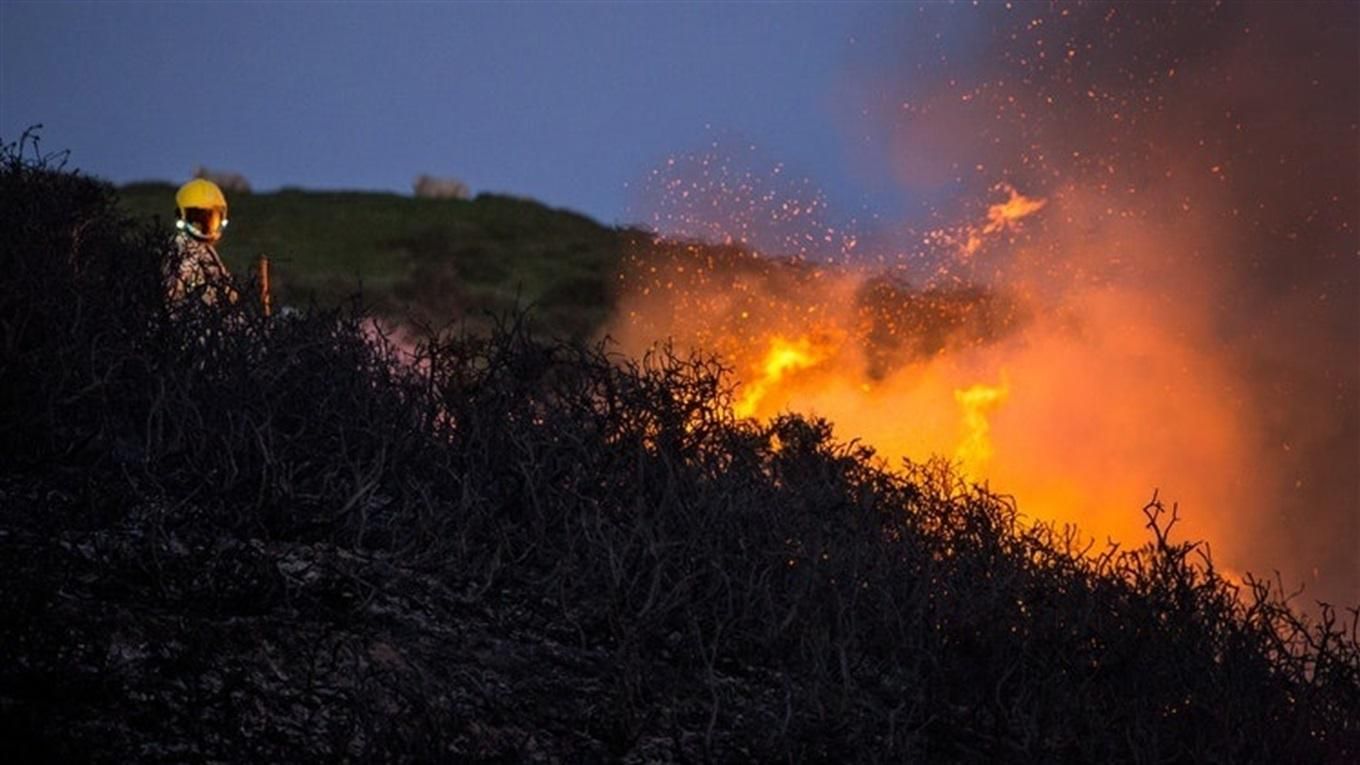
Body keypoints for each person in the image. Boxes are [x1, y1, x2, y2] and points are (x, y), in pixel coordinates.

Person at [164, 178, 237, 305]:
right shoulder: (182, 251)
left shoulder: (206, 250)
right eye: (198, 218)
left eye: (211, 217)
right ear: (181, 216)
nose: (205, 226)